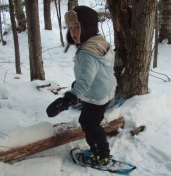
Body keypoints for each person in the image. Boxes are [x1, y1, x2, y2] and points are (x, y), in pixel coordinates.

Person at [46, 6, 117, 167]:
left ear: (87, 27)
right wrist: (78, 86)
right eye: (70, 28)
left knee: (89, 123)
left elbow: (85, 80)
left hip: (96, 95)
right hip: (105, 88)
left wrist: (68, 99)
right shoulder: (98, 42)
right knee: (91, 120)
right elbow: (97, 70)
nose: (73, 32)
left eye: (77, 27)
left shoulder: (87, 52)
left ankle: (101, 156)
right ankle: (101, 153)